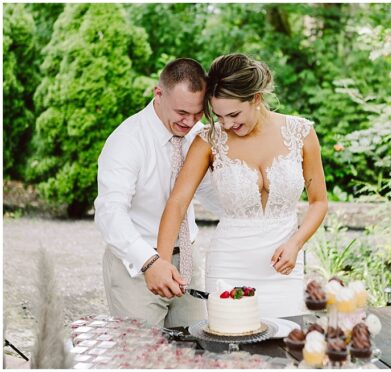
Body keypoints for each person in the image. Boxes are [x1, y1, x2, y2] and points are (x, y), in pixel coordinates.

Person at [155, 53, 328, 318]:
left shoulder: (301, 132)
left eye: (234, 114)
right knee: (230, 337)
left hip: (284, 270)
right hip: (228, 267)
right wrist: (162, 262)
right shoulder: (209, 140)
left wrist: (295, 243)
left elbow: (319, 202)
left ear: (256, 98)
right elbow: (177, 203)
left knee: (285, 339)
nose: (226, 124)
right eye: (219, 116)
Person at [95, 58, 220, 327]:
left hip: (189, 260)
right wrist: (149, 262)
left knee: (195, 347)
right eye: (182, 112)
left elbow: (211, 195)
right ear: (159, 94)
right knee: (143, 349)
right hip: (137, 267)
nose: (190, 122)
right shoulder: (126, 141)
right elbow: (109, 212)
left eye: (198, 113)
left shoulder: (198, 134)